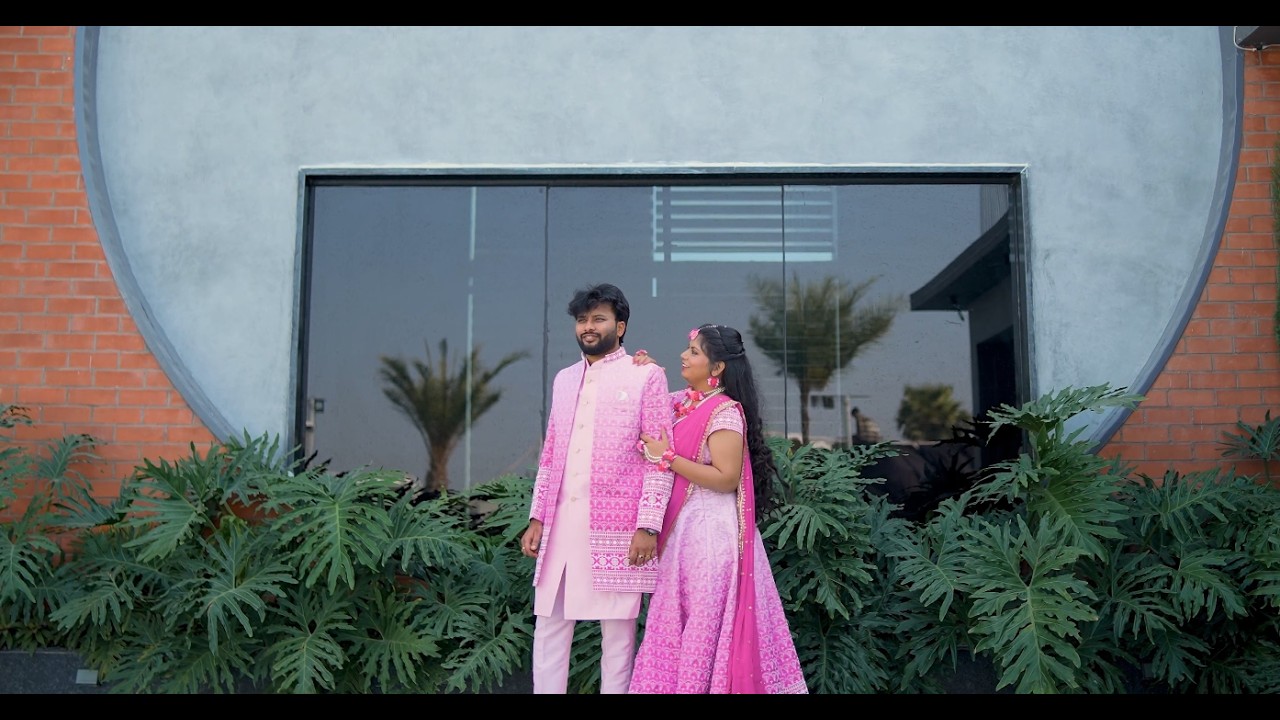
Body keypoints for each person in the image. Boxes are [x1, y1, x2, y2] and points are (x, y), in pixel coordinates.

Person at [628, 324, 808, 694]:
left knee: (705, 626)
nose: (684, 355)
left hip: (713, 540)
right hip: (685, 537)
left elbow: (726, 478)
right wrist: (647, 372)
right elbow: (651, 404)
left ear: (717, 367)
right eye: (688, 348)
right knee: (680, 626)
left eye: (694, 352)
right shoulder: (685, 402)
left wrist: (668, 458)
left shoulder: (724, 412)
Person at [519, 282, 675, 694]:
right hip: (561, 524)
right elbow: (550, 453)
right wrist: (537, 517)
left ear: (620, 327)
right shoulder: (564, 379)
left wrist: (648, 525)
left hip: (618, 527)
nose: (589, 327)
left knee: (618, 636)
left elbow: (661, 458)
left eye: (599, 319)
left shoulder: (646, 375)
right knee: (549, 627)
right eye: (582, 320)